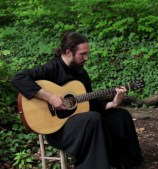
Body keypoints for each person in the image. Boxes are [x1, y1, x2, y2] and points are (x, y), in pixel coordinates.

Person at [11, 32, 144, 168]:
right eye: (83, 54)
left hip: (82, 123)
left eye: (87, 54)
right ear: (69, 52)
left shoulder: (81, 73)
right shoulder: (52, 68)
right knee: (93, 118)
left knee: (121, 115)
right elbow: (18, 78)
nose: (86, 58)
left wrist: (113, 103)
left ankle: (127, 163)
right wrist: (50, 97)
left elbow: (90, 104)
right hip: (58, 130)